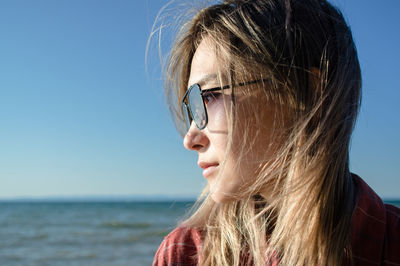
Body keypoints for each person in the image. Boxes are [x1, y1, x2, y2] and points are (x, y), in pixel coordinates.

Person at [152, 0, 400, 265]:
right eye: (193, 107)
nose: (190, 139)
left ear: (308, 94)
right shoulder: (184, 254)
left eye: (210, 97)